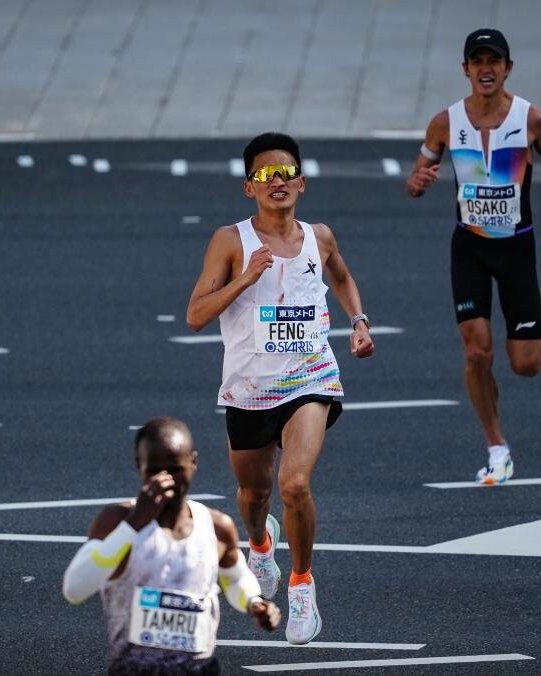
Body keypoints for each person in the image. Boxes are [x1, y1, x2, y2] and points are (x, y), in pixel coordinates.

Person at [185, 132, 374, 644]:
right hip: (249, 387)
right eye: (266, 174)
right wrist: (245, 279)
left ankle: (302, 585)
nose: (278, 181)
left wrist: (358, 321)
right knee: (254, 493)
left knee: (293, 485)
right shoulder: (231, 241)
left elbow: (342, 278)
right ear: (249, 187)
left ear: (302, 182)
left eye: (286, 172)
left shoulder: (320, 237)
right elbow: (196, 315)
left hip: (311, 376)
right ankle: (260, 544)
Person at [406, 28, 541, 485]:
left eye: (493, 61)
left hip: (517, 249)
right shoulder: (445, 122)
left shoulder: (530, 118)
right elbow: (417, 175)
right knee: (477, 351)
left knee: (526, 364)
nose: (486, 69)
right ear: (465, 69)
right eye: (477, 61)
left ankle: (520, 346)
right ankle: (497, 447)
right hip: (470, 249)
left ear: (507, 68)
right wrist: (417, 183)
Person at [62, 417, 281, 675]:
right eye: (154, 471)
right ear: (140, 466)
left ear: (193, 462)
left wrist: (254, 602)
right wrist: (134, 524)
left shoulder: (216, 527)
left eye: (175, 469)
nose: (165, 480)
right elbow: (74, 589)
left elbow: (234, 578)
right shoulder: (116, 522)